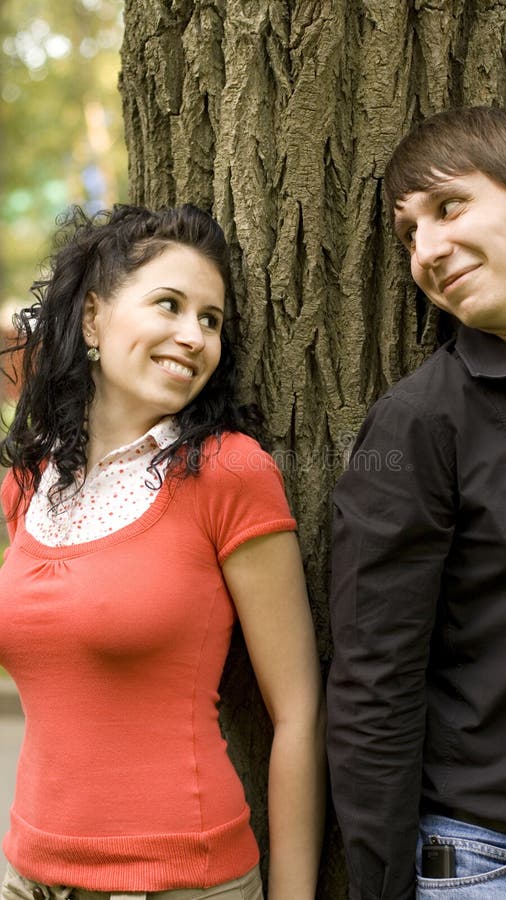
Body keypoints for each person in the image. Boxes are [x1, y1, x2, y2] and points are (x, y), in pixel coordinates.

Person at [0, 203, 325, 900]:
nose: (192, 336)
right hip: (27, 876)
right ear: (93, 319)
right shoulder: (33, 479)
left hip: (180, 882)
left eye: (210, 319)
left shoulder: (229, 472)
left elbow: (298, 713)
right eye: (169, 305)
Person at [326, 106, 506, 899]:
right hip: (501, 865)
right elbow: (375, 685)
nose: (427, 251)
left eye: (449, 208)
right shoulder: (420, 424)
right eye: (409, 233)